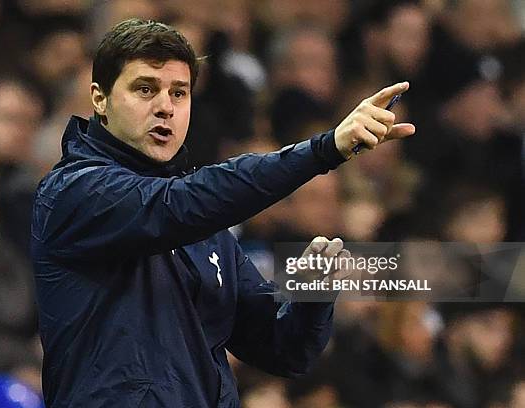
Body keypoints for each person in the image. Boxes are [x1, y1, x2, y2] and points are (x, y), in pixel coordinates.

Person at [30, 18, 415, 407]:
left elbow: (283, 351)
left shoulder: (204, 227)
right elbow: (179, 204)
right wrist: (324, 149)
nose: (165, 107)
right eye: (145, 89)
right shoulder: (75, 191)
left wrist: (313, 295)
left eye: (179, 93)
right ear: (100, 99)